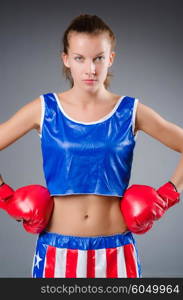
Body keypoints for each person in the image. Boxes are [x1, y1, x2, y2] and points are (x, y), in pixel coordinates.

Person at [0, 14, 182, 278]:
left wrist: (167, 196)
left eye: (98, 58)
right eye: (80, 58)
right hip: (56, 252)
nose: (90, 69)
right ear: (66, 59)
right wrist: (5, 197)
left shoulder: (130, 111)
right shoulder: (44, 109)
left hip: (116, 250)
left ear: (110, 59)